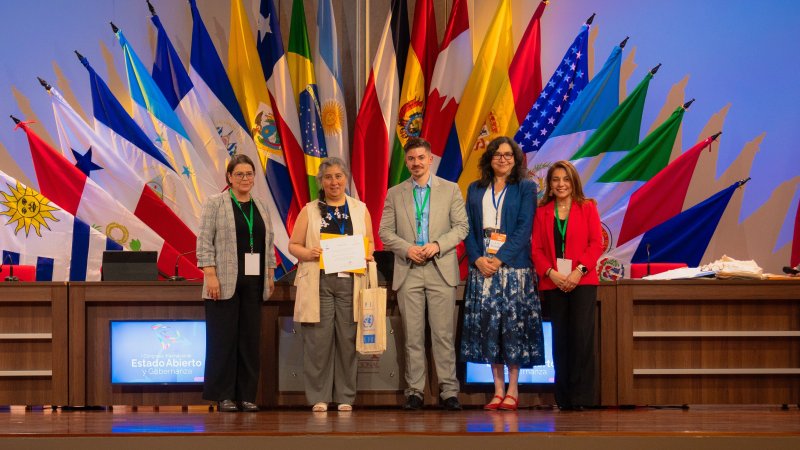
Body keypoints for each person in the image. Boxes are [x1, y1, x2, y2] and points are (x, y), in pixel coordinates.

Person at [379, 137, 469, 411]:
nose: (416, 163)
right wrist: (407, 249)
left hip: (440, 269)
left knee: (443, 335)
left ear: (431, 159)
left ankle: (448, 392)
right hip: (409, 270)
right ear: (406, 162)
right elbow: (384, 232)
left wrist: (438, 245)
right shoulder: (395, 193)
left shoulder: (451, 190)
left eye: (421, 158)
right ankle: (415, 392)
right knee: (413, 336)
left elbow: (462, 227)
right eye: (411, 159)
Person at [461, 137, 545, 411]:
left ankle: (513, 389)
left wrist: (499, 260)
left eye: (508, 155)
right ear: (489, 158)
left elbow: (523, 229)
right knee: (489, 330)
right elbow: (469, 230)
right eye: (497, 154)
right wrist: (476, 258)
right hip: (482, 269)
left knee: (512, 330)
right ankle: (497, 390)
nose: (503, 159)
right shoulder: (475, 189)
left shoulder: (525, 188)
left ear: (516, 159)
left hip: (513, 269)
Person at [289, 157, 374, 412]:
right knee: (318, 341)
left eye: (338, 176)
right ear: (321, 182)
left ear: (345, 179)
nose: (334, 182)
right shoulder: (309, 209)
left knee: (348, 339)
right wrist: (309, 253)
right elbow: (293, 245)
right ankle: (319, 397)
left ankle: (346, 397)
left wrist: (365, 252)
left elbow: (370, 243)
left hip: (351, 281)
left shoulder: (360, 209)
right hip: (319, 281)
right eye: (328, 177)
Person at [197, 154, 276, 412]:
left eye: (249, 174)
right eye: (239, 174)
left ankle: (246, 395)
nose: (245, 178)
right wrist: (210, 274)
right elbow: (204, 241)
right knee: (223, 340)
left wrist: (270, 273)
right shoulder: (216, 203)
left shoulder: (261, 206)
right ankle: (224, 396)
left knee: (250, 340)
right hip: (223, 282)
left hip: (254, 283)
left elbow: (269, 244)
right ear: (229, 178)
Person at [531, 160, 604, 411]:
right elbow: (537, 249)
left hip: (582, 282)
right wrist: (551, 273)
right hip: (554, 283)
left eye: (565, 179)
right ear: (549, 185)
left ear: (573, 183)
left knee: (581, 339)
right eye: (555, 180)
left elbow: (596, 243)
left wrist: (578, 272)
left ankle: (583, 398)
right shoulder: (542, 212)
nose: (561, 184)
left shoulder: (588, 207)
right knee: (560, 340)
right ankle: (564, 398)